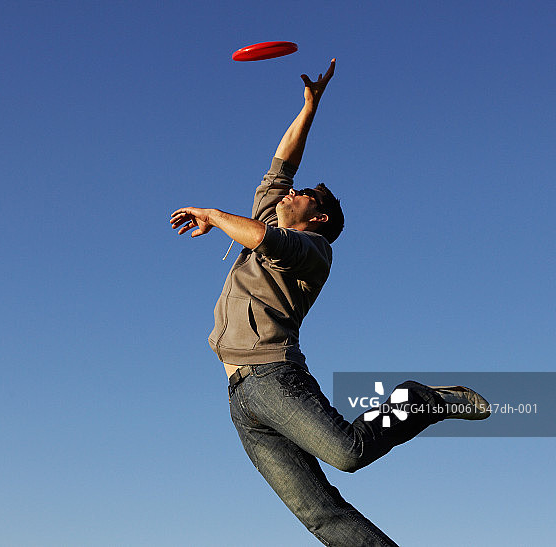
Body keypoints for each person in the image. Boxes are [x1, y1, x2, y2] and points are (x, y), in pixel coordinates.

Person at [169, 59, 490, 547]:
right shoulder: (273, 215)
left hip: (275, 378)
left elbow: (261, 238)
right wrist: (310, 107)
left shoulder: (313, 251)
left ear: (316, 220)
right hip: (240, 400)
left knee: (349, 452)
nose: (291, 193)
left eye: (303, 197)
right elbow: (283, 163)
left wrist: (213, 214)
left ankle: (418, 401)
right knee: (319, 515)